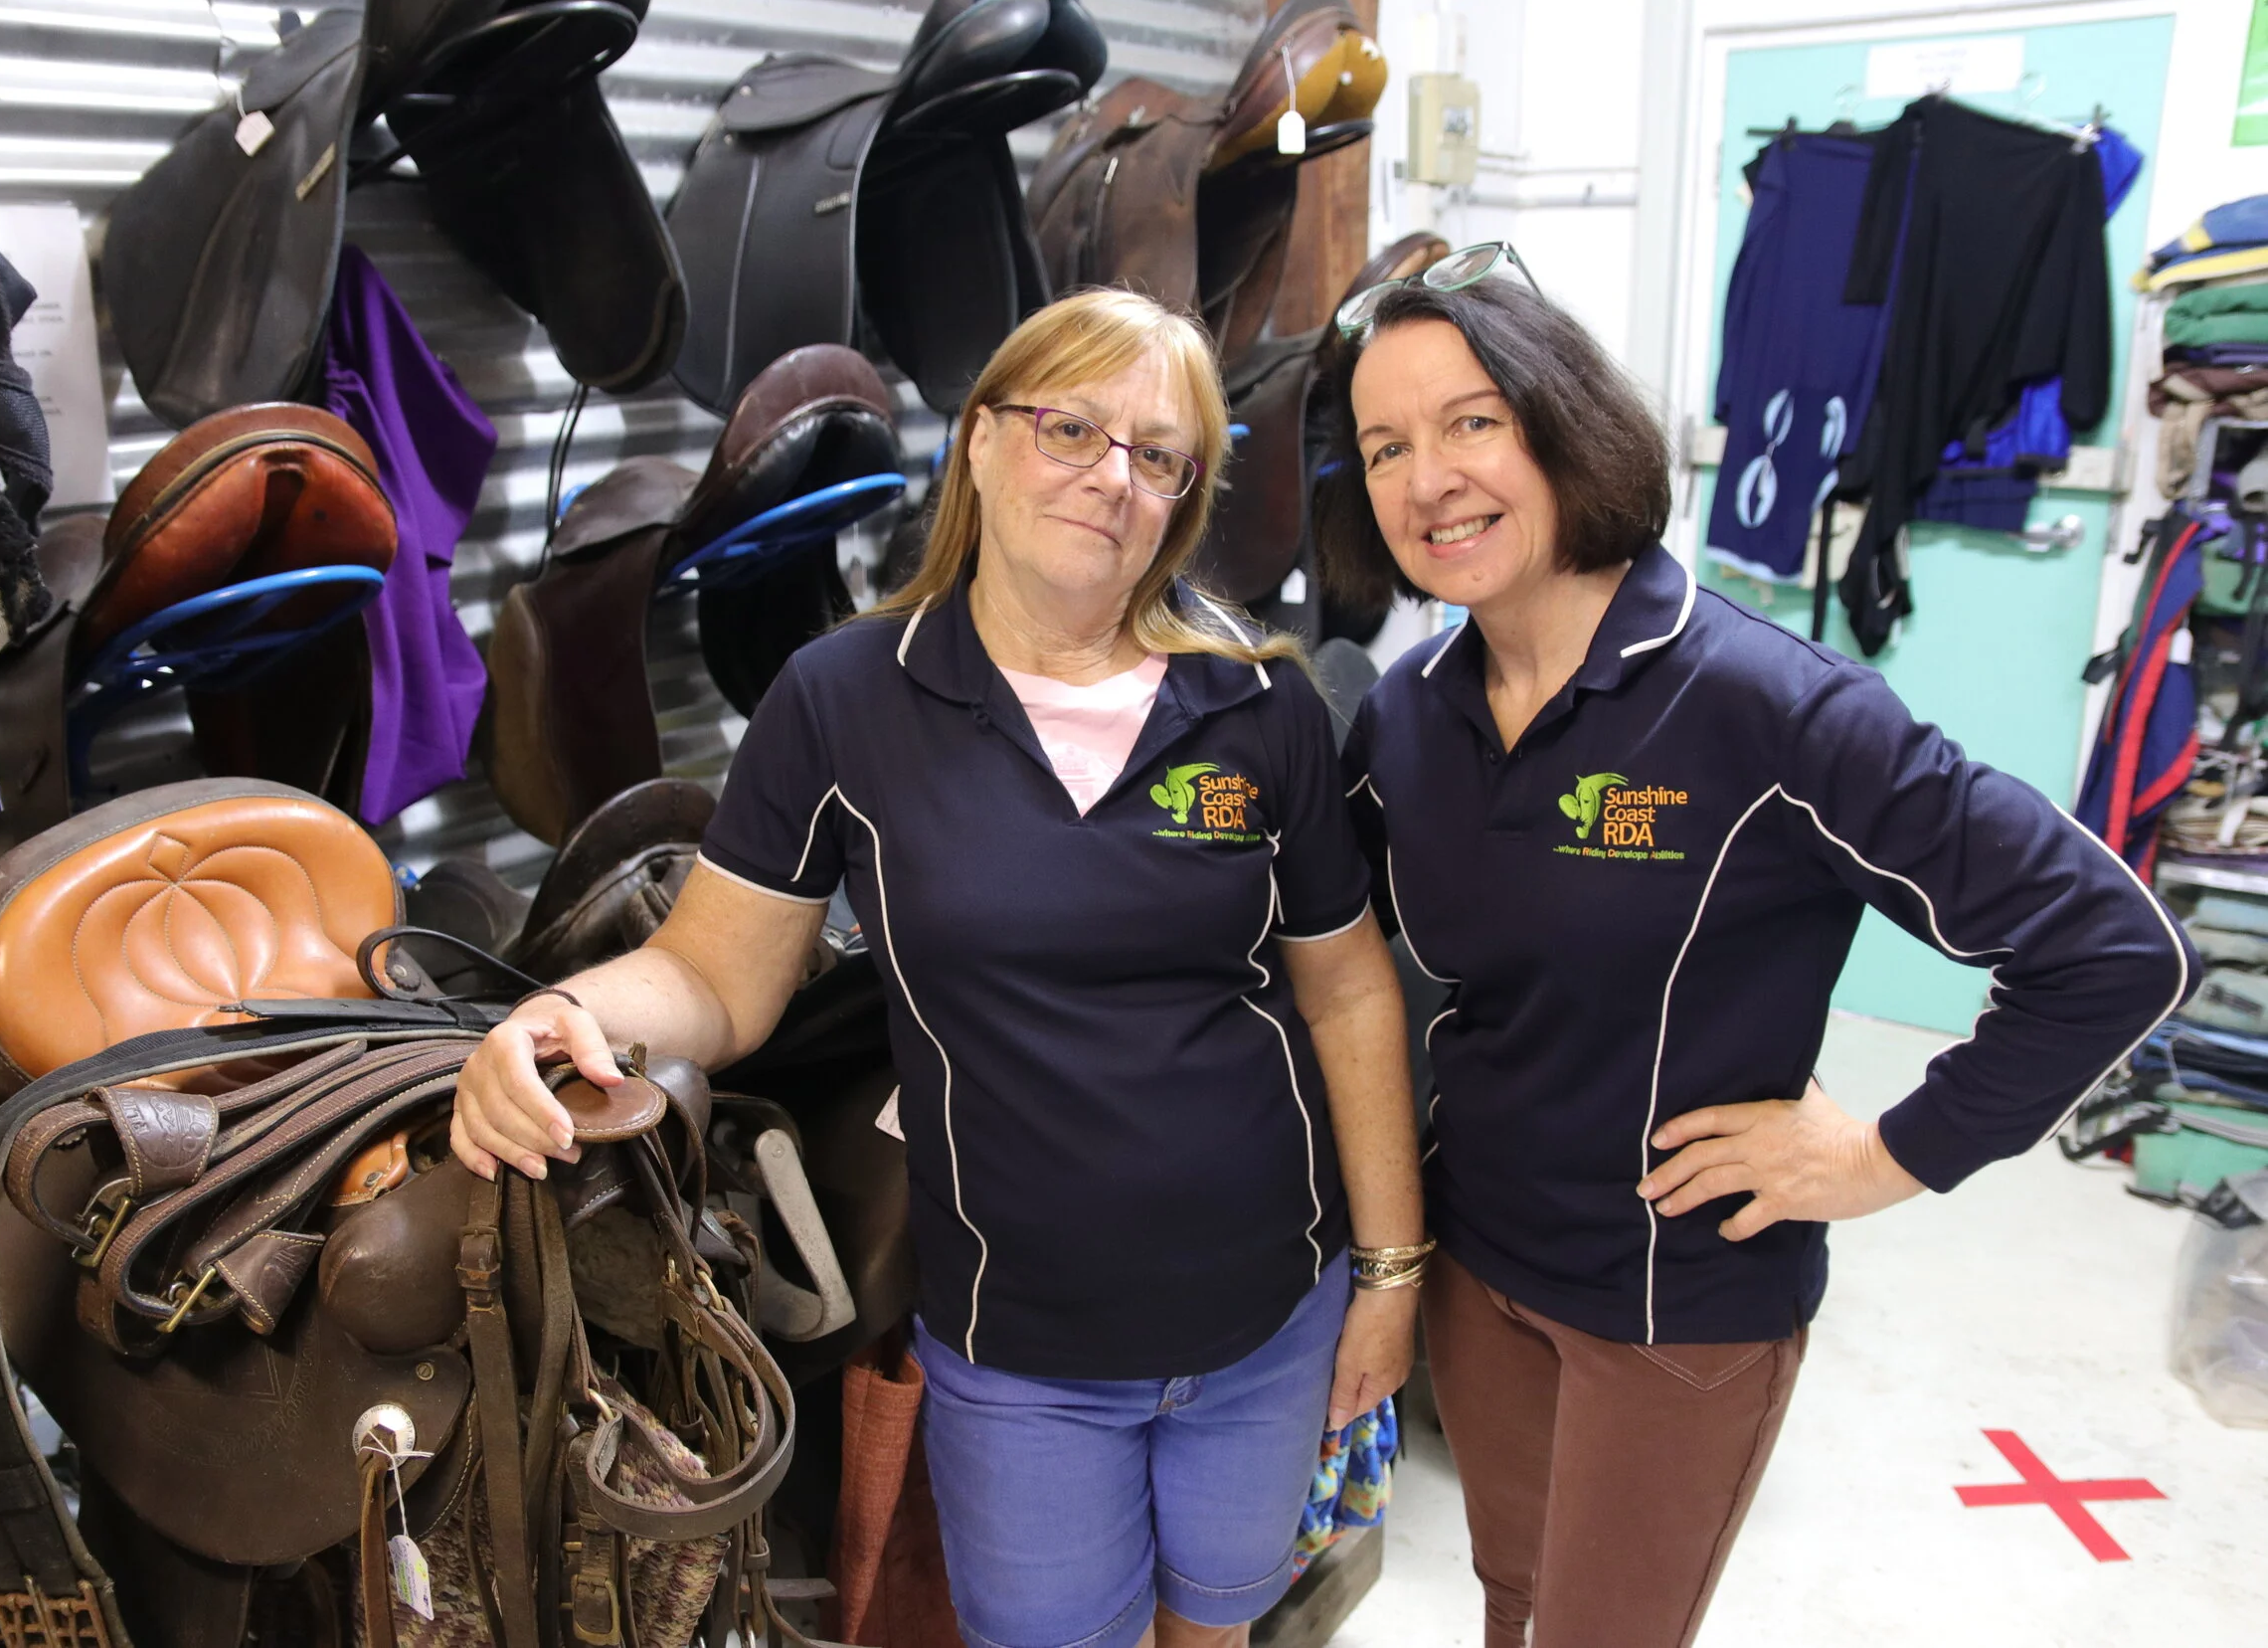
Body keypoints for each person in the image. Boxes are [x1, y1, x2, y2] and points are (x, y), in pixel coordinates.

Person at [450, 289, 1427, 1648]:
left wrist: (1389, 1273)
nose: (1111, 477)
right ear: (978, 442)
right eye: (1072, 427)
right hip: (1022, 1341)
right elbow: (717, 981)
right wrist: (559, 1011)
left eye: (1158, 455)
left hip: (1269, 1310)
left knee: (1220, 1628)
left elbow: (1349, 989)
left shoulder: (1257, 703)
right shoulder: (845, 699)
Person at [1317, 244, 2195, 1648]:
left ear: (1563, 425)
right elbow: (1336, 959)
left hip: (1680, 1302)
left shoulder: (1772, 707)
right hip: (1481, 1269)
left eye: (1473, 419)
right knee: (1513, 1605)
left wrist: (1883, 1156)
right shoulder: (1409, 716)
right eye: (1384, 445)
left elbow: (2111, 947)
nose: (1429, 479)